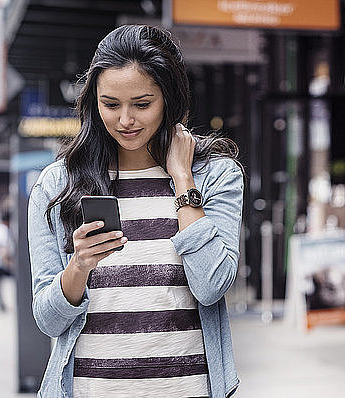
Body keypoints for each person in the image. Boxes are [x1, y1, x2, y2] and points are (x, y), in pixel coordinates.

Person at [28, 25, 244, 398]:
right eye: (110, 104)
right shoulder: (58, 185)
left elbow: (211, 287)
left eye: (142, 104)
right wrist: (78, 267)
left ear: (169, 99)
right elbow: (48, 320)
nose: (125, 120)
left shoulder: (215, 176)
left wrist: (182, 178)